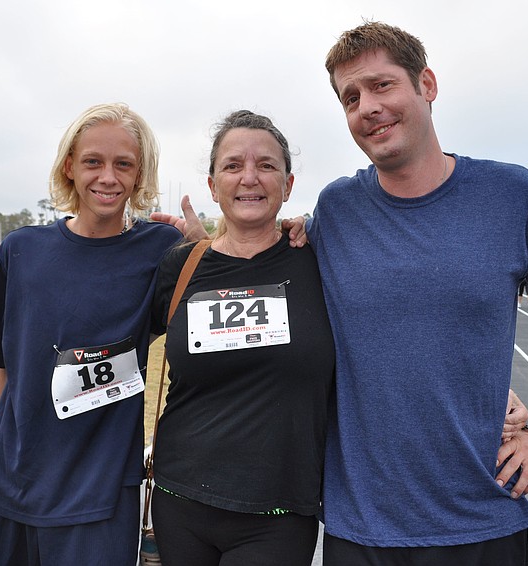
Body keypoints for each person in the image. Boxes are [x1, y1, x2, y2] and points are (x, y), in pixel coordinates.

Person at [307, 21, 528, 564]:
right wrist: (196, 245)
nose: (368, 107)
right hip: (363, 527)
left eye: (381, 85)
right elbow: (261, 249)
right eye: (351, 97)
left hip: (482, 518)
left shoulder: (511, 194)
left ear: (427, 85)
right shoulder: (335, 209)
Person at [0, 103, 183, 565]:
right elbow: (4, 373)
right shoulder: (20, 251)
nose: (108, 177)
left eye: (124, 164)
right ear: (69, 166)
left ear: (140, 174)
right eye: (93, 161)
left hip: (101, 494)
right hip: (17, 486)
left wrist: (198, 241)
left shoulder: (161, 250)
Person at [149, 110, 335, 565]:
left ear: (288, 185)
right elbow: (121, 349)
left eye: (266, 165)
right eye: (232, 165)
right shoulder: (181, 266)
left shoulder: (322, 262)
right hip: (179, 499)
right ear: (213, 186)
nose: (249, 178)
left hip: (278, 511)